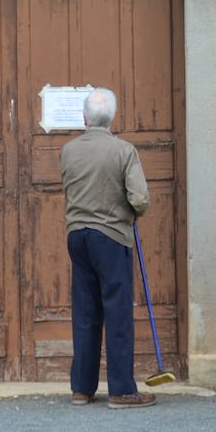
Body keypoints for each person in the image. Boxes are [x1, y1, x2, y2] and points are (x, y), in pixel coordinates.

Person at [59, 87, 156, 409]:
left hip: (77, 235)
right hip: (111, 236)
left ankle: (81, 388)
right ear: (111, 118)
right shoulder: (123, 150)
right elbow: (139, 198)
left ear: (84, 117)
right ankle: (121, 390)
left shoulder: (68, 150)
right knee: (116, 312)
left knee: (86, 311)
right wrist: (134, 211)